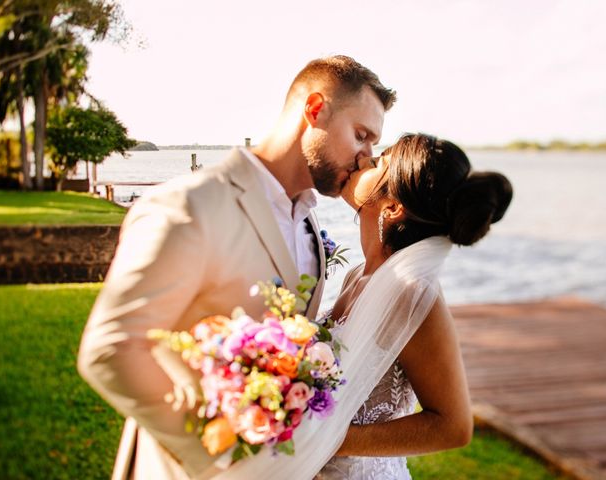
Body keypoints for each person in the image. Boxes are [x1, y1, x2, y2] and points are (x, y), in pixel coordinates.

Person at [77, 55, 396, 480]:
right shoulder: (191, 206)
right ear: (315, 109)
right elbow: (111, 347)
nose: (365, 160)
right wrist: (221, 454)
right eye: (361, 136)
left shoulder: (309, 220)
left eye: (373, 145)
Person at [207, 133, 512, 479]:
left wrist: (327, 440)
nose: (364, 160)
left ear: (393, 208)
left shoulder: (412, 294)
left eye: (379, 161)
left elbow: (453, 426)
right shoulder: (357, 275)